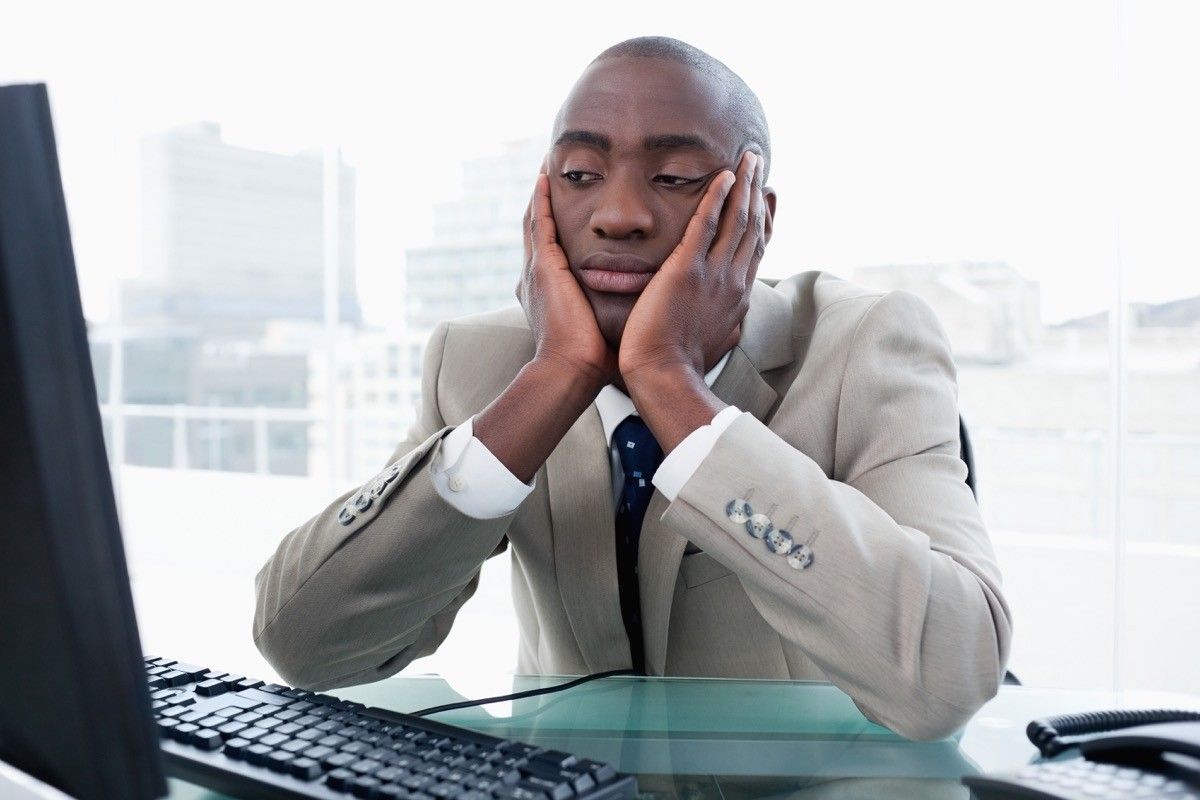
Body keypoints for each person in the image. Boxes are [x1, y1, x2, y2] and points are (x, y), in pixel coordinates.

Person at [253, 36, 1012, 741]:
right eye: (580, 175)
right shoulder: (479, 362)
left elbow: (951, 675)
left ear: (756, 214)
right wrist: (554, 378)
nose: (618, 216)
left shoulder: (866, 345)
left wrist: (673, 387)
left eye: (674, 178)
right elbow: (306, 647)